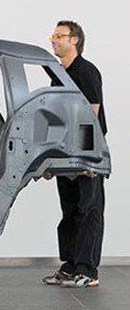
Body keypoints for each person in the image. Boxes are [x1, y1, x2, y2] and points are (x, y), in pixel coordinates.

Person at [42, 20, 107, 288]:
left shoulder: (86, 72)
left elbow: (92, 116)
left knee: (88, 211)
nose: (53, 39)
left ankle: (88, 271)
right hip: (65, 153)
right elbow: (55, 119)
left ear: (75, 40)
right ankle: (70, 266)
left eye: (60, 36)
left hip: (86, 153)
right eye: (53, 35)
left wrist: (88, 159)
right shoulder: (58, 74)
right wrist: (50, 159)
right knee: (69, 212)